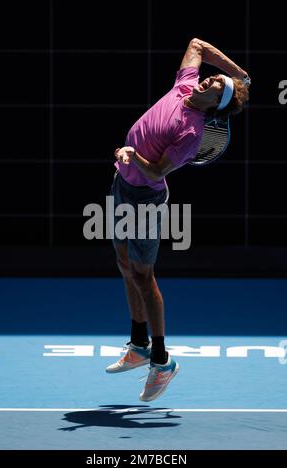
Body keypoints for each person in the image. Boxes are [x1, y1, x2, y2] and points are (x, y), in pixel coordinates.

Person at [106, 38, 250, 402]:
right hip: (122, 185)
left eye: (216, 85)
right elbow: (197, 45)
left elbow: (156, 172)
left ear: (217, 103)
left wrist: (131, 155)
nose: (209, 80)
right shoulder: (184, 85)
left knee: (143, 274)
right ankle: (138, 344)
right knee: (124, 264)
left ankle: (161, 359)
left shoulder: (191, 134)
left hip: (145, 198)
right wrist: (237, 73)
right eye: (212, 78)